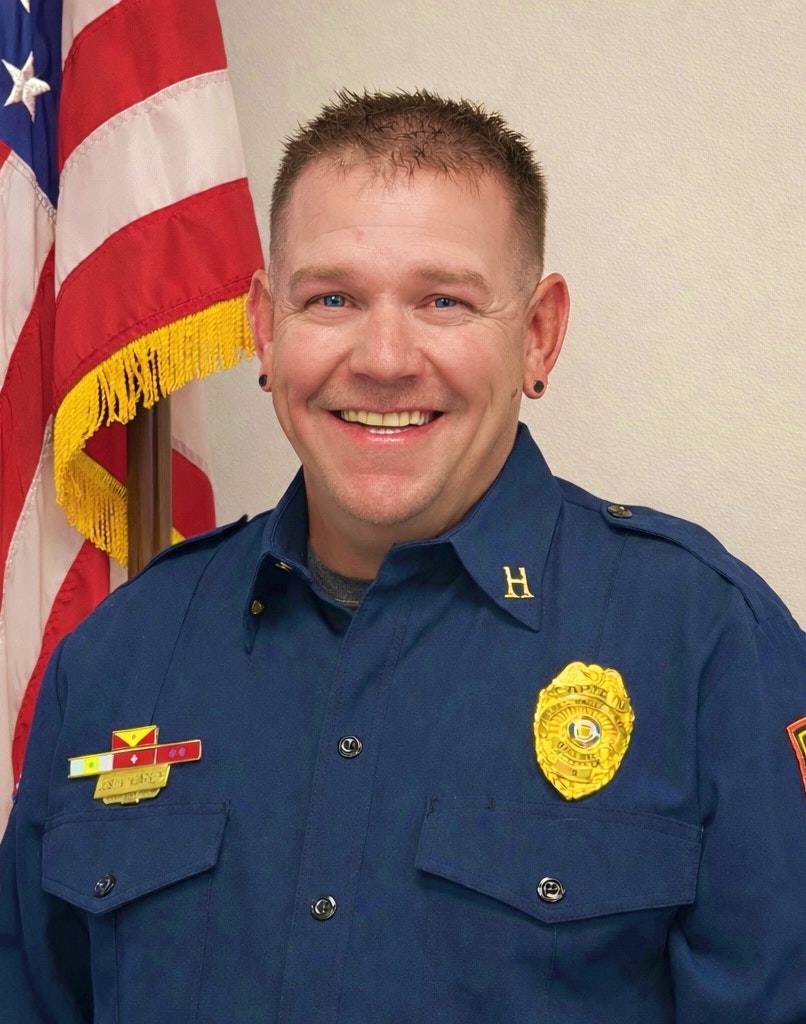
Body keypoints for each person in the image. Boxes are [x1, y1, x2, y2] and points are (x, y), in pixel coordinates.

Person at [1, 89, 805, 1023]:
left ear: (538, 336)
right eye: (332, 298)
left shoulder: (709, 646)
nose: (384, 357)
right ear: (265, 328)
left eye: (444, 301)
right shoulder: (114, 660)